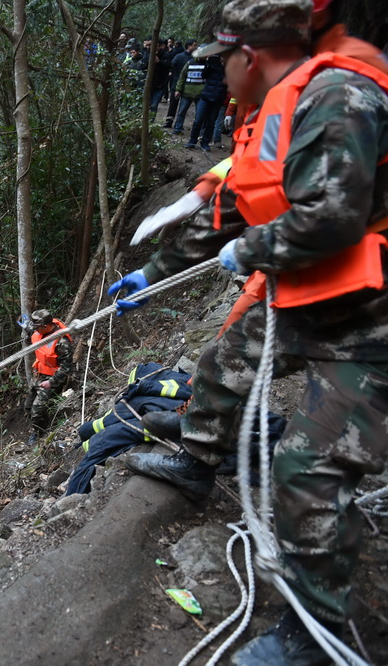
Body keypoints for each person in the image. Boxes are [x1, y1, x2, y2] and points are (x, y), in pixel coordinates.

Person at [108, 1, 388, 662]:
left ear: (250, 56)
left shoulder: (341, 96)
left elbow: (335, 216)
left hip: (372, 318)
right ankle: (198, 464)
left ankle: (313, 629)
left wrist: (254, 249)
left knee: (307, 469)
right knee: (224, 363)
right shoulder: (268, 116)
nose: (215, 77)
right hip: (311, 294)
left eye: (220, 62)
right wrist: (151, 273)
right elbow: (230, 212)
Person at [26, 310, 74, 447]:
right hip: (39, 374)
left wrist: (51, 382)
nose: (35, 330)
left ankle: (39, 432)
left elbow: (66, 367)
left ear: (46, 326)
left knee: (37, 409)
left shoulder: (62, 342)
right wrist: (25, 325)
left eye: (37, 327)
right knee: (28, 406)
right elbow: (32, 331)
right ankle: (39, 423)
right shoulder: (39, 331)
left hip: (52, 378)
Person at [172, 53, 206, 134]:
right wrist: (178, 89)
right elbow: (182, 76)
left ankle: (199, 132)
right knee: (181, 111)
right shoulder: (190, 63)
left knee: (200, 114)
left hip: (200, 93)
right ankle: (177, 129)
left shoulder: (208, 65)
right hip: (187, 92)